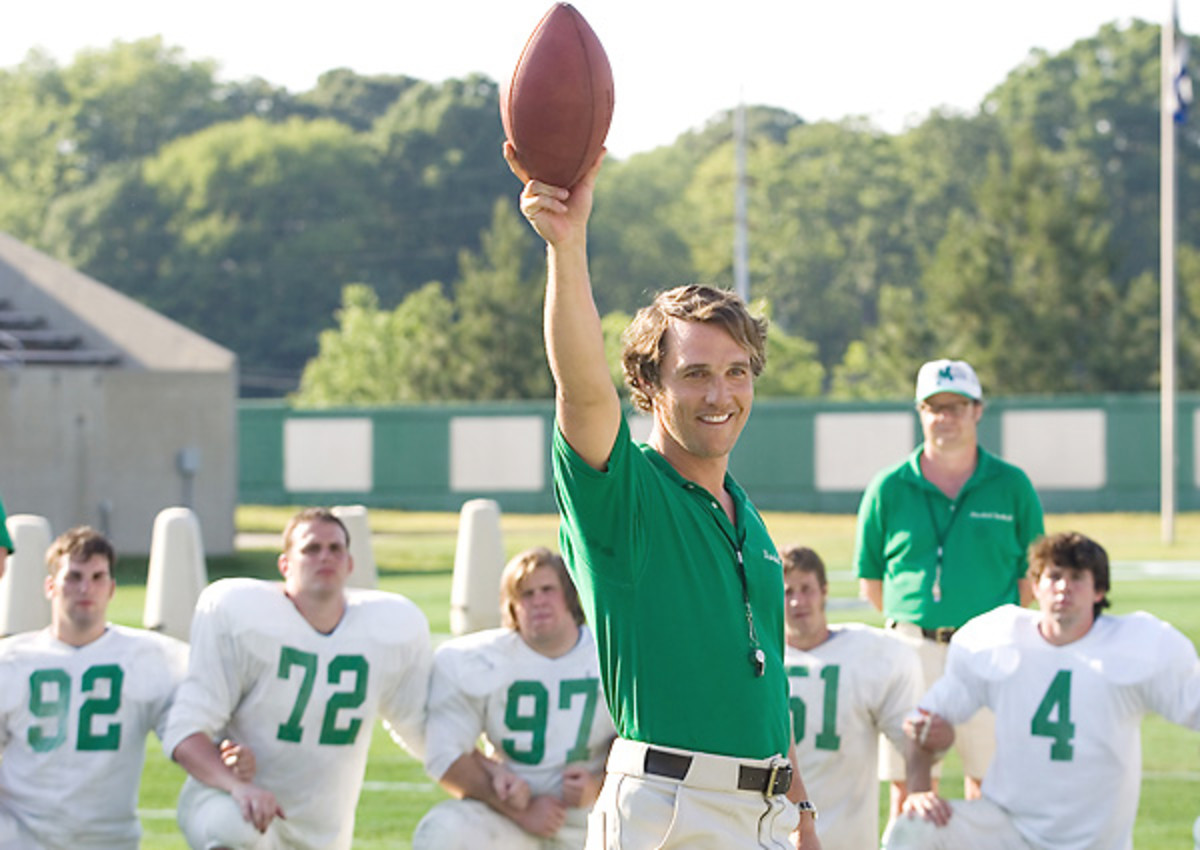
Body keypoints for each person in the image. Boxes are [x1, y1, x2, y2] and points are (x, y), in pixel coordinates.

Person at [506, 144, 820, 850]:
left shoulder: (748, 518)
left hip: (765, 812)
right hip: (671, 810)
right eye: (696, 373)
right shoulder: (626, 497)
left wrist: (801, 816)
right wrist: (567, 244)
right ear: (648, 387)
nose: (721, 395)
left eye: (738, 373)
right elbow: (581, 389)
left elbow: (762, 688)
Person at [883, 531, 1200, 850]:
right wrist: (920, 789)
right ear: (1035, 585)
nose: (1063, 587)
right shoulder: (996, 638)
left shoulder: (1140, 645)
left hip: (1096, 840)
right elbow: (921, 725)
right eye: (1054, 576)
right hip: (1006, 828)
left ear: (1099, 590)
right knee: (915, 828)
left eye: (1077, 577)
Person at [164, 507, 432, 850]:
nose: (325, 557)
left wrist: (494, 770)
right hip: (231, 804)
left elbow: (424, 731)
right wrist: (236, 784)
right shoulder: (241, 614)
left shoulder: (387, 628)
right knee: (235, 829)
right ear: (285, 565)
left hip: (323, 831)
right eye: (311, 548)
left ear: (350, 565)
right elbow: (184, 733)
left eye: (336, 549)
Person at [853, 358, 1044, 811]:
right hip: (912, 652)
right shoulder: (889, 486)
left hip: (990, 655)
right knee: (911, 789)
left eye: (957, 406)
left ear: (978, 410)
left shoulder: (1012, 484)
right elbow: (872, 582)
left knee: (991, 786)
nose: (946, 417)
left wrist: (985, 629)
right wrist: (921, 627)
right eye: (935, 407)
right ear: (920, 412)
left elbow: (1030, 577)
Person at [414, 547, 616, 850]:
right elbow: (445, 754)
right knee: (443, 832)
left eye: (547, 589)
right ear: (511, 606)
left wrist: (598, 785)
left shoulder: (612, 655)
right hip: (510, 817)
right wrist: (503, 793)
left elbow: (644, 743)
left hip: (598, 814)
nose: (538, 602)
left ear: (570, 596)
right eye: (525, 594)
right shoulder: (475, 660)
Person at [0, 526, 189, 848]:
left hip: (109, 839)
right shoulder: (11, 661)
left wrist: (228, 762)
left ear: (112, 588)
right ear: (50, 586)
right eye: (73, 577)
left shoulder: (152, 657)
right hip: (21, 839)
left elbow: (191, 735)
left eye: (97, 577)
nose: (85, 588)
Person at [781, 545, 923, 850]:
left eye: (806, 589)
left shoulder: (870, 654)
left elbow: (910, 743)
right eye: (787, 591)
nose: (797, 601)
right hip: (777, 833)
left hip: (848, 835)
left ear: (824, 591)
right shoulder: (762, 659)